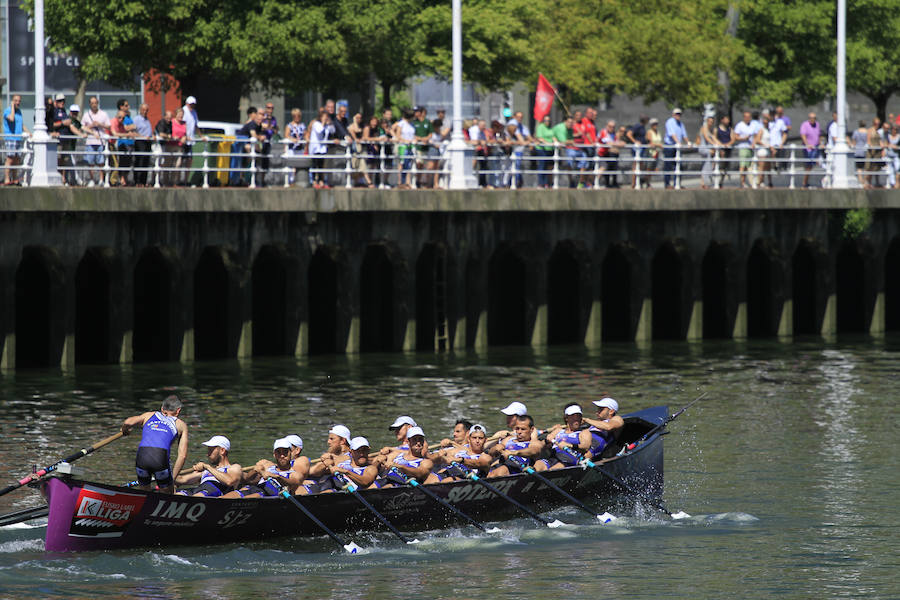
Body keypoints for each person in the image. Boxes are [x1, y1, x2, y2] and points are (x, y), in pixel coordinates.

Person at [121, 394, 189, 494]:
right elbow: (182, 456)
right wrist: (172, 479)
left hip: (142, 454)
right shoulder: (180, 424)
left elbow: (128, 422)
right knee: (168, 494)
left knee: (144, 492)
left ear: (162, 408)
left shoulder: (149, 415)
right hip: (160, 456)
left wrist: (125, 430)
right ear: (178, 410)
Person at [224, 438, 302, 498]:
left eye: (285, 452)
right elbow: (248, 480)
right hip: (253, 489)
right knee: (225, 498)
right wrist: (254, 470)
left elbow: (293, 483)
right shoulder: (268, 467)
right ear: (274, 454)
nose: (282, 456)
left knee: (252, 496)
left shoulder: (294, 473)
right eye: (278, 452)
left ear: (291, 453)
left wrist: (276, 477)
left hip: (266, 495)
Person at [298, 436, 379, 493]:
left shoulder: (371, 468)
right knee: (300, 487)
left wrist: (345, 472)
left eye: (365, 450)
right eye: (358, 450)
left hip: (347, 493)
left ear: (369, 451)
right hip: (327, 485)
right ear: (351, 451)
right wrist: (324, 464)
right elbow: (314, 472)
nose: (362, 454)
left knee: (328, 492)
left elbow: (365, 482)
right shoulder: (341, 462)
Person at [174, 435, 242, 497]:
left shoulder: (234, 467)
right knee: (177, 495)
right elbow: (182, 479)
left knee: (198, 496)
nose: (207, 454)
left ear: (222, 451)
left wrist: (207, 466)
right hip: (199, 489)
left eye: (210, 450)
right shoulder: (205, 471)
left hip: (214, 491)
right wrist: (166, 475)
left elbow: (229, 481)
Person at [534, 404, 595, 471]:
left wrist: (569, 445)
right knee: (538, 464)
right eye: (573, 417)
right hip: (553, 459)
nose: (576, 419)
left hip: (569, 461)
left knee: (553, 470)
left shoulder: (584, 432)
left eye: (578, 416)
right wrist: (547, 440)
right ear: (566, 418)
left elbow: (585, 446)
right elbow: (540, 445)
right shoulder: (558, 431)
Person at [370, 426, 435, 487]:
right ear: (408, 442)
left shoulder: (426, 462)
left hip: (402, 486)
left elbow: (420, 473)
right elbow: (378, 466)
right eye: (415, 439)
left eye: (420, 439)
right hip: (386, 480)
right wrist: (379, 461)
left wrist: (401, 467)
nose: (418, 443)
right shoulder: (395, 455)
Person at [3, 95, 29, 186]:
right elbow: (11, 118)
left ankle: (14, 179)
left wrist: (29, 133)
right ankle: (6, 179)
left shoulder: (19, 112)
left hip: (18, 138)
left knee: (17, 160)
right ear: (12, 101)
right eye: (15, 101)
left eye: (19, 101)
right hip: (10, 138)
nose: (18, 102)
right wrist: (12, 107)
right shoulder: (7, 111)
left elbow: (21, 125)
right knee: (10, 159)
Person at [110, 99, 136, 186]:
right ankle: (116, 180)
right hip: (118, 143)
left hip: (129, 142)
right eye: (126, 105)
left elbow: (127, 129)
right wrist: (129, 130)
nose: (128, 107)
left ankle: (124, 179)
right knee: (119, 163)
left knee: (128, 162)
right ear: (121, 107)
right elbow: (123, 131)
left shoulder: (127, 117)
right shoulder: (116, 120)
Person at [663, 108, 691, 188]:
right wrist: (678, 142)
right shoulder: (670, 122)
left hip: (676, 147)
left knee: (678, 165)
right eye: (676, 114)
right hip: (669, 146)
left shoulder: (681, 124)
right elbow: (672, 134)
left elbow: (684, 134)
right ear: (673, 114)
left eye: (679, 114)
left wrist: (688, 142)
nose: (678, 115)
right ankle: (667, 184)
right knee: (668, 165)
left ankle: (677, 184)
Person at [60, 104, 84, 186]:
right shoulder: (68, 120)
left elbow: (83, 127)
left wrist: (93, 133)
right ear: (70, 112)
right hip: (67, 145)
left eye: (76, 112)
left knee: (69, 164)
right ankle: (73, 180)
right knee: (68, 163)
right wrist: (81, 134)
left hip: (72, 147)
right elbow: (72, 128)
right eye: (73, 112)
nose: (75, 114)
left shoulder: (76, 122)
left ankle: (69, 180)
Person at [309, 108, 333, 189]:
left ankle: (321, 181)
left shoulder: (326, 125)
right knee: (315, 165)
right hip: (315, 148)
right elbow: (319, 131)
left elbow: (332, 130)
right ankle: (314, 181)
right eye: (324, 116)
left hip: (322, 148)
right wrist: (323, 123)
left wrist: (329, 124)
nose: (325, 118)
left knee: (321, 165)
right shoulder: (316, 124)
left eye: (326, 117)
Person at [132, 103, 153, 187]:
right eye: (143, 110)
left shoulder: (147, 120)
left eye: (146, 110)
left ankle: (143, 181)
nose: (145, 112)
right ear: (140, 110)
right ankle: (137, 181)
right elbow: (133, 132)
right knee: (139, 161)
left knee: (146, 161)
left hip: (148, 142)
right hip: (140, 142)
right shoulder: (137, 119)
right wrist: (143, 137)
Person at [284, 108, 306, 186]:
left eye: (298, 116)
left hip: (300, 148)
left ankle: (298, 180)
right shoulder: (289, 125)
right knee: (291, 166)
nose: (297, 117)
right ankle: (290, 181)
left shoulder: (302, 125)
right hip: (291, 148)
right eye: (295, 116)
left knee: (299, 165)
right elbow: (286, 136)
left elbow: (305, 135)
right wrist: (292, 139)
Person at [800, 112, 823, 189]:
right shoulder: (805, 125)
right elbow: (803, 135)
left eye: (814, 118)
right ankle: (804, 183)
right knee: (808, 166)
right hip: (808, 149)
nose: (813, 120)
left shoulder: (817, 124)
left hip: (816, 148)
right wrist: (807, 144)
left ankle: (806, 182)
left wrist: (820, 143)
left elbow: (818, 135)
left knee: (814, 165)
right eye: (811, 118)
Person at [733, 111, 755, 188]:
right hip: (743, 147)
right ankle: (742, 182)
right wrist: (744, 138)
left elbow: (755, 135)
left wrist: (753, 143)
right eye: (747, 117)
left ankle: (751, 182)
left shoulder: (752, 125)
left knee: (749, 166)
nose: (748, 118)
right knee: (743, 165)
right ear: (744, 117)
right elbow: (735, 137)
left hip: (750, 148)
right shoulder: (740, 125)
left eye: (749, 117)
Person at [155, 110, 176, 186]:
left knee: (162, 163)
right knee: (158, 162)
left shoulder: (170, 123)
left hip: (164, 145)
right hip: (158, 145)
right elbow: (161, 134)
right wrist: (168, 136)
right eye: (168, 117)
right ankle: (155, 181)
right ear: (164, 117)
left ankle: (160, 181)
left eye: (170, 118)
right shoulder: (161, 123)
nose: (169, 119)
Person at [259, 101, 277, 186]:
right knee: (260, 161)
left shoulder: (273, 119)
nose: (270, 110)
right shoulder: (263, 117)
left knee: (267, 162)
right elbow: (262, 127)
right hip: (261, 142)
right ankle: (259, 180)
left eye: (272, 108)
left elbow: (275, 130)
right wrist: (269, 127)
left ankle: (264, 181)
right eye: (269, 108)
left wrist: (270, 127)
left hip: (269, 142)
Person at [696, 114, 718, 189]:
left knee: (706, 163)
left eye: (712, 122)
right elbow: (707, 138)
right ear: (707, 121)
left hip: (707, 148)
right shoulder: (704, 128)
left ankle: (703, 182)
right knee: (708, 161)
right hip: (703, 148)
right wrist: (714, 144)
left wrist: (722, 145)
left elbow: (713, 138)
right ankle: (706, 181)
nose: (711, 123)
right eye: (710, 121)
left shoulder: (710, 130)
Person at [182, 95, 199, 185]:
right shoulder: (183, 111)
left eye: (193, 105)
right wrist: (184, 135)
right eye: (190, 104)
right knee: (180, 161)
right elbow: (181, 124)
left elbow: (196, 125)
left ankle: (185, 180)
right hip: (183, 140)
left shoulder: (194, 113)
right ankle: (177, 180)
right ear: (187, 104)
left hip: (190, 141)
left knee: (189, 160)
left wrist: (201, 136)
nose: (192, 106)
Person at [534, 114, 554, 188]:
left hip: (549, 150)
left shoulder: (550, 128)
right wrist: (548, 143)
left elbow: (553, 136)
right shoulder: (541, 127)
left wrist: (555, 142)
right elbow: (540, 138)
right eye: (545, 120)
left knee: (547, 166)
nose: (547, 122)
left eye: (548, 120)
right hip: (541, 149)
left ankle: (546, 183)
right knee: (542, 165)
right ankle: (540, 183)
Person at [755, 111, 774, 188]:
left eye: (767, 122)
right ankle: (760, 182)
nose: (766, 123)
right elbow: (757, 140)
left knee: (768, 167)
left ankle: (770, 182)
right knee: (761, 167)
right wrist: (765, 145)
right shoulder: (761, 130)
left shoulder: (768, 130)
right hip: (762, 150)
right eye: (764, 122)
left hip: (768, 150)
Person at [171, 108, 187, 184]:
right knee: (169, 164)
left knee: (178, 164)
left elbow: (186, 133)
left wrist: (185, 137)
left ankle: (175, 181)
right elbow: (168, 132)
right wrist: (173, 137)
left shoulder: (184, 123)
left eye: (182, 115)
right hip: (171, 145)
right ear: (176, 115)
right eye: (179, 115)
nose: (181, 116)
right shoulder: (172, 122)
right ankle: (166, 181)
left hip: (180, 146)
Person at [645, 117, 663, 187]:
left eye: (656, 124)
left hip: (657, 152)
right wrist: (659, 145)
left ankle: (648, 181)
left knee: (653, 168)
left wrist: (659, 145)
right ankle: (647, 183)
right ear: (651, 125)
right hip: (651, 152)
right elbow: (650, 143)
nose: (655, 125)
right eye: (653, 124)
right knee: (649, 168)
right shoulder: (649, 132)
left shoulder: (658, 132)